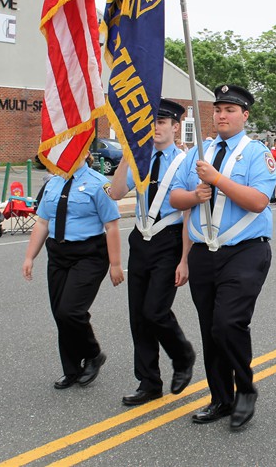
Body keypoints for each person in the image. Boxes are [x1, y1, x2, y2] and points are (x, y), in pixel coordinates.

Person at [169, 84, 275, 430]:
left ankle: (245, 389)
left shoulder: (257, 153)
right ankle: (220, 398)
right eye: (218, 109)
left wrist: (217, 180)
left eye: (230, 110)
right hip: (204, 251)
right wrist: (194, 194)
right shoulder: (200, 151)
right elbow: (175, 199)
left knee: (228, 323)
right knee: (209, 329)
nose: (222, 115)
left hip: (245, 250)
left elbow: (259, 201)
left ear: (245, 115)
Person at [108, 99, 196, 407]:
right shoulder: (140, 159)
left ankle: (183, 355)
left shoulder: (185, 162)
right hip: (141, 240)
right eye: (152, 123)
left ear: (175, 127)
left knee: (155, 310)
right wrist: (127, 156)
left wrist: (185, 258)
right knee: (138, 317)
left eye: (162, 123)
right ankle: (148, 382)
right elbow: (116, 193)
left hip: (170, 240)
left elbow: (189, 213)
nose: (156, 128)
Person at [22, 154, 124, 390]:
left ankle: (93, 354)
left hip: (89, 253)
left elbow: (111, 225)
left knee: (71, 311)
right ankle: (71, 369)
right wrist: (30, 257)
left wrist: (115, 264)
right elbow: (42, 222)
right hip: (58, 253)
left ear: (85, 153)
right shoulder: (53, 182)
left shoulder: (99, 184)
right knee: (60, 313)